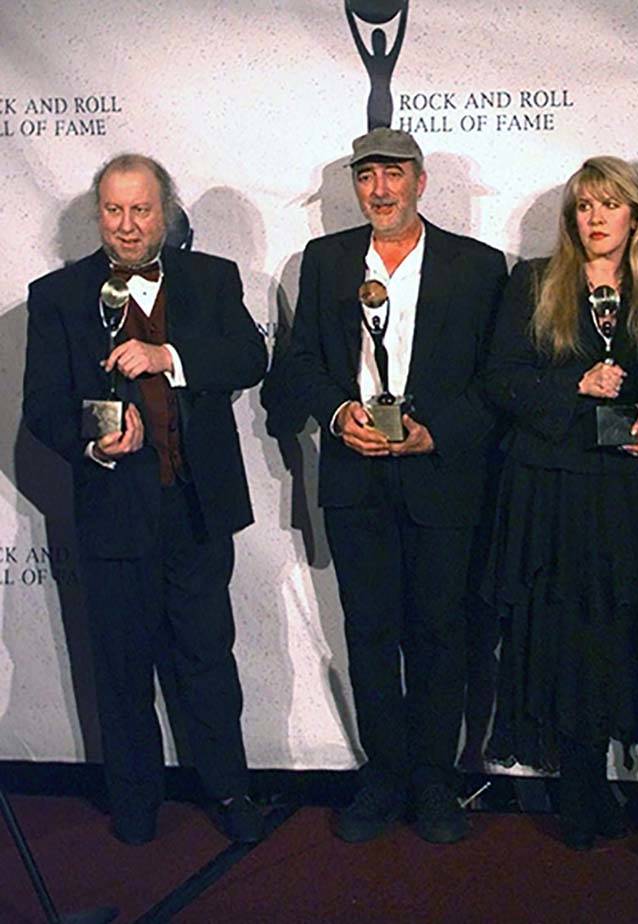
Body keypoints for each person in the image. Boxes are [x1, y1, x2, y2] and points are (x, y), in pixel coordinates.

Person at [22, 153, 267, 845]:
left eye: (141, 210)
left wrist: (171, 358)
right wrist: (95, 442)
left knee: (207, 661)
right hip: (110, 513)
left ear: (166, 214)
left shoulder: (212, 280)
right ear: (98, 214)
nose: (127, 226)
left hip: (194, 508)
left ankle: (231, 791)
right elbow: (40, 408)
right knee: (121, 667)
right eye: (113, 210)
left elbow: (251, 359)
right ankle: (134, 802)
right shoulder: (58, 296)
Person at [282, 128, 507, 844]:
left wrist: (436, 431)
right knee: (370, 634)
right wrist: (339, 411)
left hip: (442, 478)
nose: (380, 190)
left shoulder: (477, 266)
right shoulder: (323, 262)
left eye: (394, 175)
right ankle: (383, 778)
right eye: (367, 176)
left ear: (421, 181)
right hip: (356, 476)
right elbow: (301, 363)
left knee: (443, 635)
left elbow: (495, 381)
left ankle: (436, 782)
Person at [483, 156, 638, 849]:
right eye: (584, 206)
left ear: (634, 216)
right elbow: (502, 379)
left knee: (612, 629)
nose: (596, 219)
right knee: (558, 635)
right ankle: (576, 786)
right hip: (548, 487)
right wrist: (576, 389)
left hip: (622, 486)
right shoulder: (534, 282)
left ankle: (606, 774)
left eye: (610, 205)